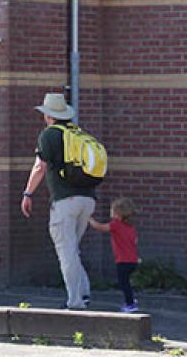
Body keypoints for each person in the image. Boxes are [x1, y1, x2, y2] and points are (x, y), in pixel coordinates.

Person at [20, 92, 96, 310]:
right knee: (72, 249)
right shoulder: (78, 133)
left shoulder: (49, 135)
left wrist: (27, 194)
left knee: (66, 252)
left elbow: (39, 167)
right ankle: (84, 292)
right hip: (87, 199)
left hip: (65, 201)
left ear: (48, 116)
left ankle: (75, 301)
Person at [89, 197, 140, 312]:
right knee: (126, 282)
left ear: (117, 214)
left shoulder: (115, 225)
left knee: (124, 283)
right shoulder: (131, 227)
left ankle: (130, 304)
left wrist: (90, 219)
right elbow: (135, 241)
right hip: (133, 260)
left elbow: (100, 227)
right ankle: (130, 299)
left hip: (122, 261)